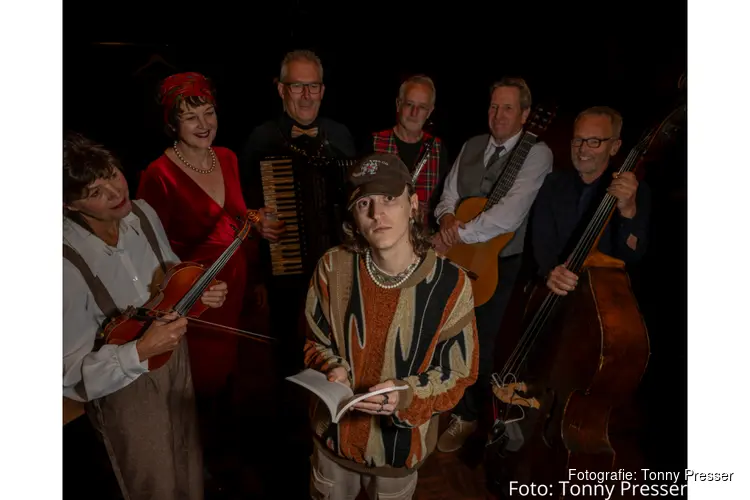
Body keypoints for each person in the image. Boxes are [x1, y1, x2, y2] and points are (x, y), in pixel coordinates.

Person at [135, 71, 284, 485]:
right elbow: (150, 253)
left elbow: (235, 220)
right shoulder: (157, 175)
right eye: (190, 118)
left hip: (237, 291)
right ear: (171, 124)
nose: (204, 124)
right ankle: (202, 470)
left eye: (208, 112)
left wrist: (255, 227)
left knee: (240, 379)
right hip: (198, 300)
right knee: (204, 388)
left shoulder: (229, 157)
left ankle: (230, 463)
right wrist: (194, 288)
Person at [62, 131, 228, 500]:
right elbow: (70, 377)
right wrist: (137, 353)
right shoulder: (62, 265)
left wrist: (200, 292)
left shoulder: (142, 212)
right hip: (125, 391)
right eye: (95, 192)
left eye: (112, 174)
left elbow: (169, 279)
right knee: (155, 489)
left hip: (176, 362)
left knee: (189, 473)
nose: (115, 193)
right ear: (69, 205)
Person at [303, 153, 479, 500]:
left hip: (399, 449)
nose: (376, 214)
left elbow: (460, 372)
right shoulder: (332, 267)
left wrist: (406, 394)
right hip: (331, 441)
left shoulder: (452, 284)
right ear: (353, 217)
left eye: (389, 199)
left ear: (413, 204)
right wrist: (332, 368)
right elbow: (314, 340)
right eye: (364, 202)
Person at [432, 77, 553, 452]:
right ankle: (440, 398)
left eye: (507, 108)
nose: (498, 115)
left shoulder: (537, 153)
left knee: (480, 346)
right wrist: (446, 220)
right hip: (455, 255)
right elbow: (447, 197)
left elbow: (508, 215)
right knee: (444, 331)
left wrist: (457, 234)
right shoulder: (471, 145)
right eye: (493, 107)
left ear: (525, 114)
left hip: (500, 264)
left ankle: (469, 416)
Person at [531, 106, 650, 295]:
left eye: (594, 141)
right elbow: (541, 241)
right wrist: (549, 272)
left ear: (614, 147)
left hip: (604, 296)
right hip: (552, 293)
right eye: (578, 140)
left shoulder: (635, 191)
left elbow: (632, 257)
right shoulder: (552, 184)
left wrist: (628, 212)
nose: (583, 149)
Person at [364, 74, 450, 230]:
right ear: (398, 104)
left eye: (422, 107)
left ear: (429, 112)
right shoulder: (372, 143)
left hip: (423, 239)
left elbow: (444, 201)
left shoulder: (438, 148)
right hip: (381, 235)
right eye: (409, 104)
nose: (414, 112)